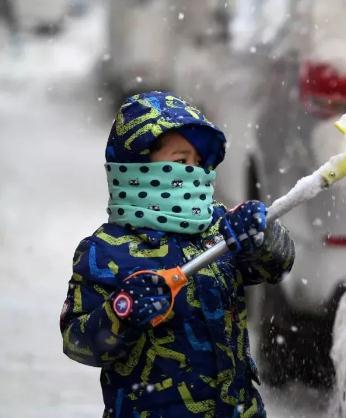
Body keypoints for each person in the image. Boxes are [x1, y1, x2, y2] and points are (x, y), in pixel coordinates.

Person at [60, 91, 295, 417]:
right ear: (137, 165)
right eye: (180, 162)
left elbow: (278, 265)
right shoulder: (105, 250)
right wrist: (122, 312)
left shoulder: (218, 231)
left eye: (198, 163)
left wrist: (262, 235)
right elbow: (77, 341)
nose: (194, 173)